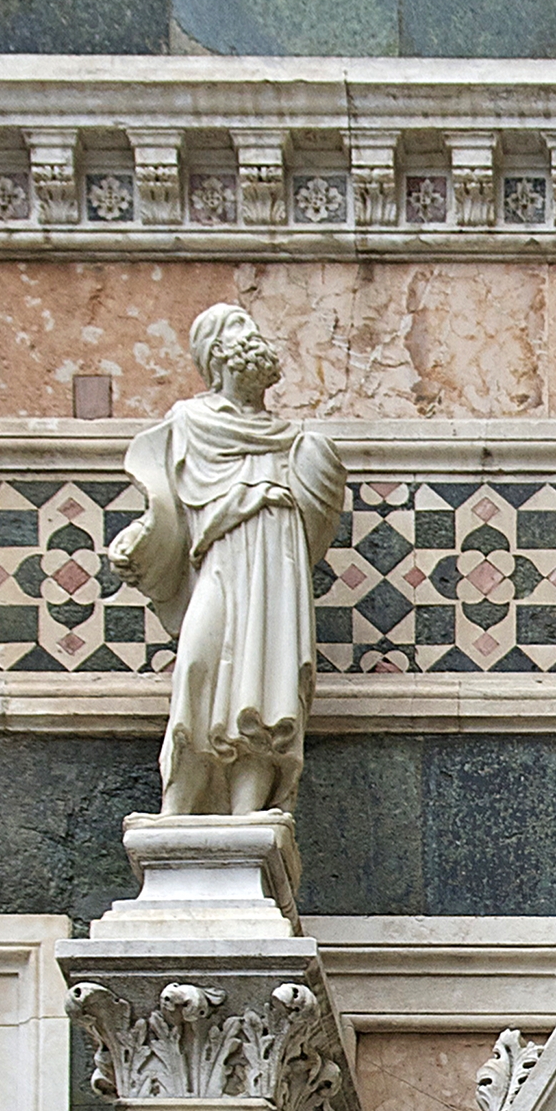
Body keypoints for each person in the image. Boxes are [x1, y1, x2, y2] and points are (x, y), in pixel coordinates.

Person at [112, 303, 345, 816]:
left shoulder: (298, 445)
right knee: (199, 666)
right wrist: (137, 544)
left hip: (276, 570)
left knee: (267, 690)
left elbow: (317, 521)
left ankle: (248, 816)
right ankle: (178, 809)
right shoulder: (189, 424)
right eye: (240, 329)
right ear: (215, 353)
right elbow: (164, 507)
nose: (254, 337)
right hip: (219, 563)